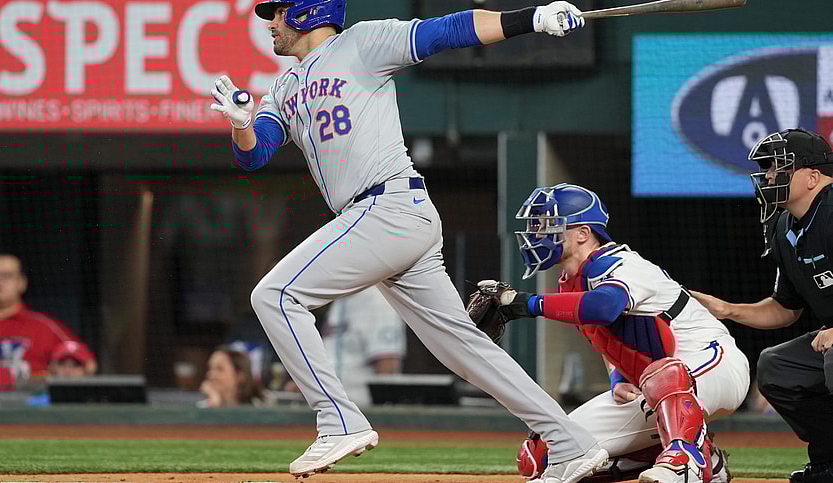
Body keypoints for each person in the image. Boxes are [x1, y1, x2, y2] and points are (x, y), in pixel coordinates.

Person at [210, 1, 607, 481]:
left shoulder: (360, 43)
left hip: (387, 206)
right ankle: (572, 444)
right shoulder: (284, 87)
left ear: (307, 12)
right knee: (465, 351)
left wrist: (532, 17)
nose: (269, 23)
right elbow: (255, 157)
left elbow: (450, 30)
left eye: (276, 12)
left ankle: (338, 421)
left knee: (275, 295)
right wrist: (241, 125)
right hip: (386, 219)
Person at [479, 184, 748, 483]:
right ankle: (709, 458)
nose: (537, 234)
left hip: (715, 363)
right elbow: (611, 337)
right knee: (547, 454)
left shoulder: (620, 262)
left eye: (547, 224)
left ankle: (687, 461)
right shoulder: (571, 281)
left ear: (582, 233)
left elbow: (605, 307)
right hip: (656, 385)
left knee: (663, 373)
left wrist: (526, 303)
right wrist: (619, 377)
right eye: (536, 225)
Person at [691, 128, 833, 483]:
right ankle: (829, 460)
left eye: (779, 167)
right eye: (767, 168)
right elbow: (787, 308)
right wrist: (727, 309)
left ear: (813, 177)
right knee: (777, 366)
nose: (769, 176)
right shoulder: (786, 226)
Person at [0, 253, 89, 389]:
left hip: (31, 407)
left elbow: (88, 364)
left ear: (21, 283)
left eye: (7, 276)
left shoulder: (43, 326)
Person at [322, 285, 407, 408]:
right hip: (331, 406)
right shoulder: (340, 298)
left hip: (363, 408)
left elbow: (387, 365)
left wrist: (382, 415)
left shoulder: (379, 300)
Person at [198, 345, 268, 408]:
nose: (210, 375)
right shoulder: (200, 408)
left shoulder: (261, 406)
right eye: (209, 368)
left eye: (220, 369)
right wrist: (214, 402)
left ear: (240, 375)